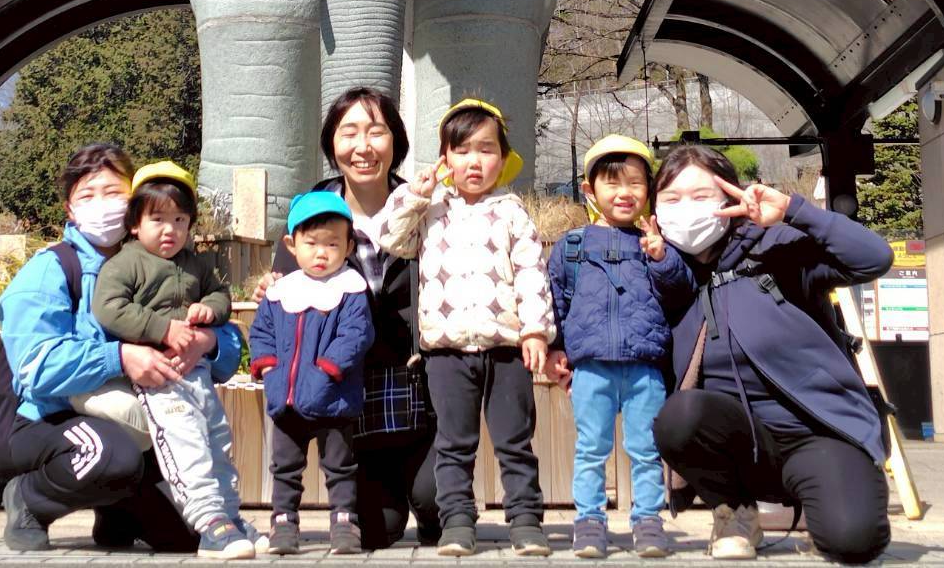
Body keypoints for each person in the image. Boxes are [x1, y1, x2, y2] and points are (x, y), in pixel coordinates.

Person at [648, 144, 894, 563]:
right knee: (679, 416)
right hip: (739, 446)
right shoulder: (668, 277)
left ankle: (832, 497)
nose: (685, 209)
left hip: (817, 434)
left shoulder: (777, 246)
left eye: (701, 195)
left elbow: (874, 258)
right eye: (671, 198)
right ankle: (735, 512)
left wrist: (795, 211)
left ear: (731, 196)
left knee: (853, 542)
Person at [0, 143, 242, 554]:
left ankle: (118, 510)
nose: (102, 204)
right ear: (70, 209)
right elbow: (35, 368)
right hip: (50, 418)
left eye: (113, 192)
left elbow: (230, 342)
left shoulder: (172, 263)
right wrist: (121, 357)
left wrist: (209, 342)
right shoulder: (49, 270)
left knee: (187, 534)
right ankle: (29, 498)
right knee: (113, 456)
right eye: (87, 195)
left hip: (145, 415)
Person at [256, 87, 440, 550]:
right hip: (347, 394)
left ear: (395, 141)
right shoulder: (310, 212)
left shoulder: (424, 207)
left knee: (436, 499)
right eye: (349, 132)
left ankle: (429, 502)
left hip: (414, 387)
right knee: (376, 529)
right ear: (331, 143)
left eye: (376, 132)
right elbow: (284, 295)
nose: (363, 147)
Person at [378, 98, 556, 558]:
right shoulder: (431, 209)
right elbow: (392, 240)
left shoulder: (512, 211)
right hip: (447, 351)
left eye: (486, 149)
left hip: (506, 348)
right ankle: (457, 521)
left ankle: (525, 521)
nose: (474, 161)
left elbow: (532, 273)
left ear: (503, 157)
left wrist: (535, 330)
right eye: (461, 150)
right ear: (445, 159)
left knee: (515, 441)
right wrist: (417, 194)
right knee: (454, 444)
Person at [76, 161, 253, 560]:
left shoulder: (196, 263)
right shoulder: (125, 263)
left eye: (179, 220)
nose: (169, 229)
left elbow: (220, 296)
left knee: (217, 441)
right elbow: (109, 308)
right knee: (184, 443)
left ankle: (231, 516)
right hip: (158, 375)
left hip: (198, 374)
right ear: (135, 224)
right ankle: (209, 523)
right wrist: (163, 329)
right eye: (157, 219)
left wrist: (210, 309)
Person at [545, 135, 689, 559]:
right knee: (591, 449)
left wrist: (662, 258)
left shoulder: (657, 243)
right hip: (591, 368)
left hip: (646, 368)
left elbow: (680, 293)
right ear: (589, 190)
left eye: (635, 183)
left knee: (646, 449)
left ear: (649, 190)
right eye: (612, 182)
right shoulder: (571, 246)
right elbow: (554, 302)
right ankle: (589, 521)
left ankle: (648, 520)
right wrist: (554, 349)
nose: (624, 193)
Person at [249, 190, 376, 555]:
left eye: (332, 244)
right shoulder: (282, 292)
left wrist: (328, 368)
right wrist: (268, 367)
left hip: (334, 397)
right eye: (312, 243)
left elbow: (357, 334)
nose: (322, 253)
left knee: (340, 465)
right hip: (287, 399)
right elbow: (261, 332)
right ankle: (283, 523)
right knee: (285, 466)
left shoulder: (350, 288)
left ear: (348, 246)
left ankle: (344, 523)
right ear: (292, 245)